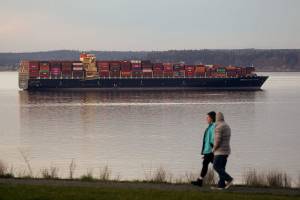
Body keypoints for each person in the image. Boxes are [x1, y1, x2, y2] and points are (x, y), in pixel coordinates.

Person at [191, 111, 216, 187]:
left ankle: (226, 179)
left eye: (207, 117)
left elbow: (212, 140)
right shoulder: (210, 126)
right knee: (207, 164)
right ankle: (200, 181)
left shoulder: (213, 127)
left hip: (211, 151)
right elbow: (207, 140)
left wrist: (212, 151)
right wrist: (205, 152)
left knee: (216, 166)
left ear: (211, 118)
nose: (206, 119)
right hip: (208, 151)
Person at [212, 112, 234, 190]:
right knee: (222, 168)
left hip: (220, 151)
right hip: (226, 151)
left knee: (216, 166)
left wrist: (213, 149)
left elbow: (217, 140)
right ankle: (221, 185)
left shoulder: (218, 127)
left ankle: (229, 179)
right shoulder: (227, 126)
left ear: (217, 118)